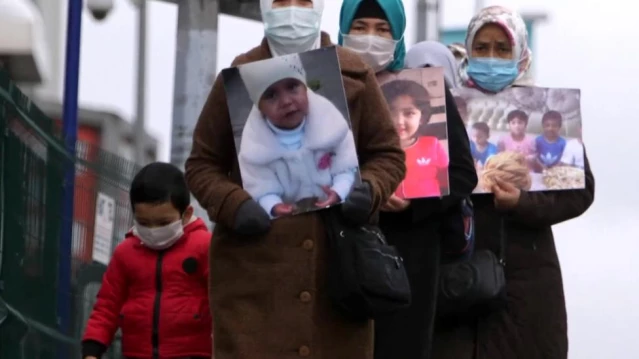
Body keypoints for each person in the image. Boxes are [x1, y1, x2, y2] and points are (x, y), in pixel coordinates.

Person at [184, 0, 407, 358]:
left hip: (339, 281)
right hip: (254, 284)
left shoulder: (355, 74)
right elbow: (202, 164)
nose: (291, 11)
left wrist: (369, 188)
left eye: (301, 1)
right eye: (281, 1)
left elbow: (389, 156)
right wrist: (234, 204)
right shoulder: (239, 76)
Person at [431, 6, 595, 359]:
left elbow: (580, 191)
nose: (491, 57)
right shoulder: (447, 113)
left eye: (502, 49)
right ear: (468, 51)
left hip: (527, 295)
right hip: (458, 290)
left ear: (520, 54)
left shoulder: (545, 115)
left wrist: (522, 203)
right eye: (482, 47)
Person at [339, 2, 477, 359]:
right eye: (361, 26)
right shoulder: (324, 90)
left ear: (398, 33)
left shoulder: (423, 90)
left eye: (383, 29)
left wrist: (416, 202)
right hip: (337, 254)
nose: (371, 38)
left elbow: (462, 174)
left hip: (408, 258)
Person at [81, 162, 212, 359]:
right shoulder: (125, 253)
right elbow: (107, 306)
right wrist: (92, 351)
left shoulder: (204, 247)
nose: (153, 230)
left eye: (163, 223)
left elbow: (225, 302)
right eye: (143, 223)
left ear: (186, 215)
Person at [236, 54, 358, 218]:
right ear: (259, 107)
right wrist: (273, 205)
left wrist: (339, 191)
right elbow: (259, 186)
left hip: (336, 213)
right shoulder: (255, 150)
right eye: (271, 95)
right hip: (290, 223)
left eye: (292, 86)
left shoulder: (332, 126)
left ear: (306, 89)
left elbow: (346, 165)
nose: (286, 101)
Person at [380, 79, 449, 198]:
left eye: (409, 113)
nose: (399, 121)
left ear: (422, 117)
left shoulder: (432, 145)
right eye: (390, 112)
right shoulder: (375, 150)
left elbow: (447, 183)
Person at [338, 0, 406, 74]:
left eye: (382, 29)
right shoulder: (326, 81)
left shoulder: (415, 83)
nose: (370, 38)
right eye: (359, 28)